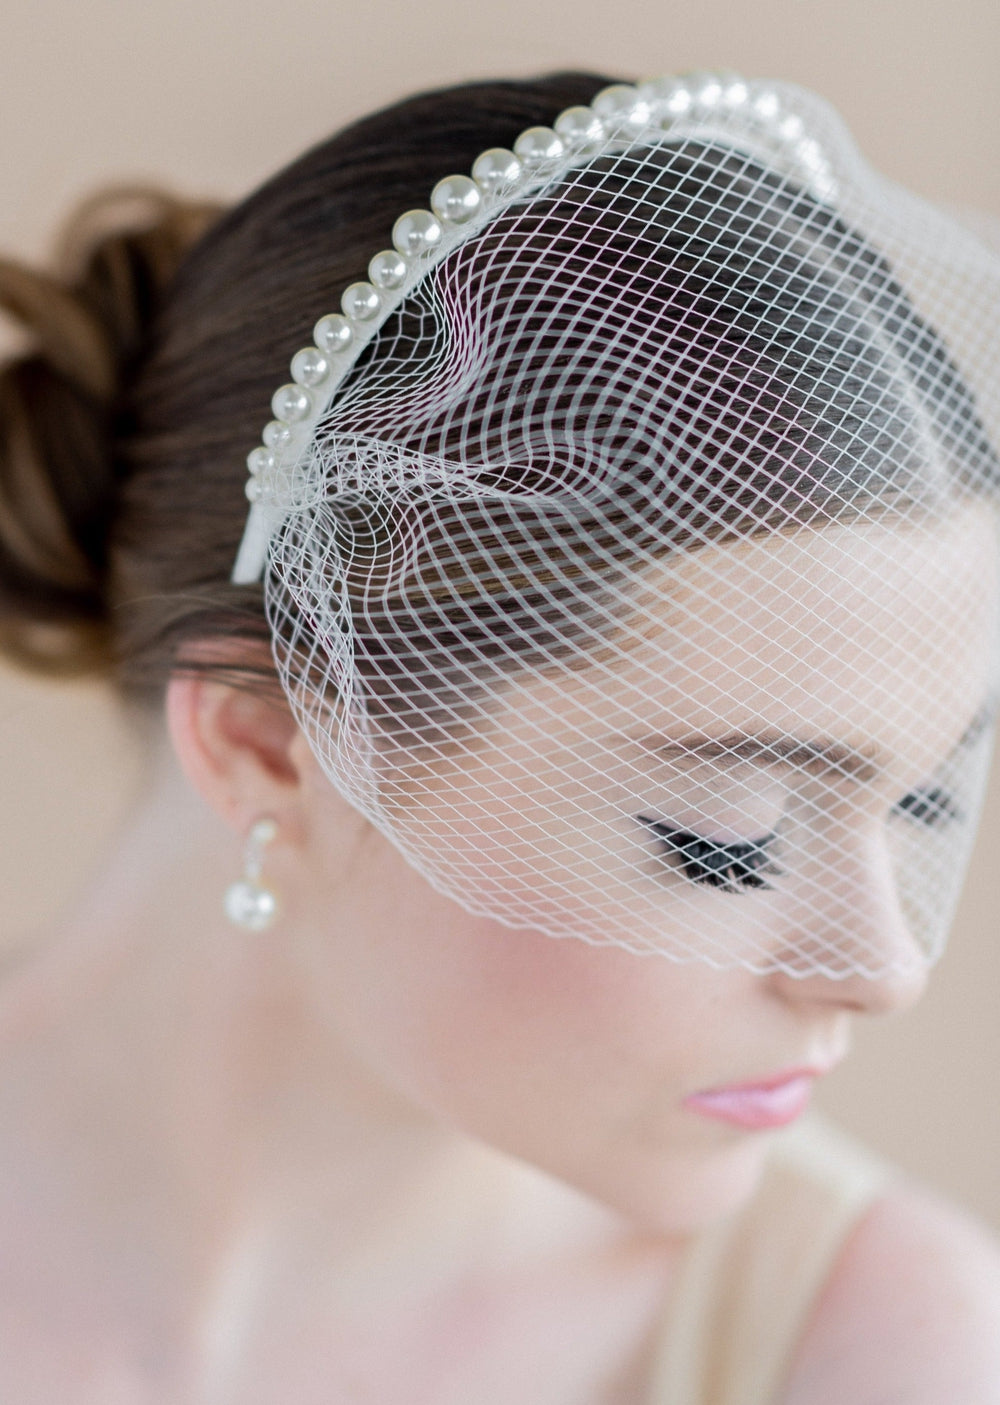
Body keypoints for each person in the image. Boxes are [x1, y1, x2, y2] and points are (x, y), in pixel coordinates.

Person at [1, 69, 999, 1403]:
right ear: (271, 746)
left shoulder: (871, 1347)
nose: (883, 967)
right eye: (727, 840)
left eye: (924, 803)